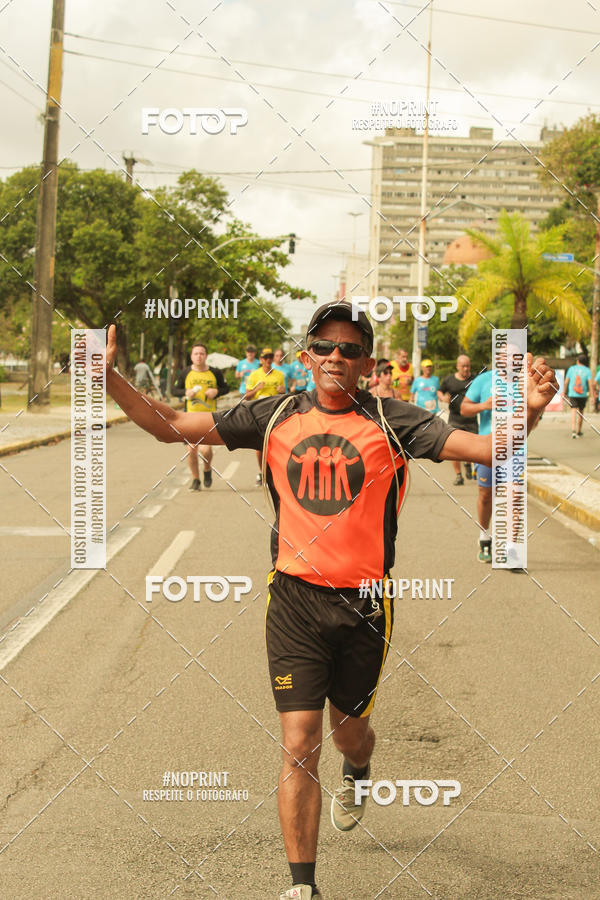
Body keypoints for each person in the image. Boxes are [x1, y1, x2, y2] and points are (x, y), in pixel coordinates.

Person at [103, 303, 557, 900]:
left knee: (350, 734)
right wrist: (107, 376)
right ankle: (303, 887)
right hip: (293, 601)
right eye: (324, 346)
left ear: (367, 363)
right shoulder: (273, 414)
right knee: (298, 743)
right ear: (306, 356)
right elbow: (168, 425)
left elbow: (490, 449)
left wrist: (530, 408)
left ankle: (359, 767)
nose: (336, 357)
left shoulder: (394, 420)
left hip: (364, 605)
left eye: (350, 349)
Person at [171, 343, 229, 490]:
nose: (199, 356)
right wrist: (185, 392)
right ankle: (196, 479)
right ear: (191, 356)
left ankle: (207, 469)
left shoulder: (215, 372)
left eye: (202, 353)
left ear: (206, 356)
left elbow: (226, 388)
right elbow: (174, 390)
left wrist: (216, 392)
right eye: (196, 353)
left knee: (206, 450)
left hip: (209, 417)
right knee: (191, 450)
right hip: (189, 417)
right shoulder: (185, 372)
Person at [245, 348, 286, 485]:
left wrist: (282, 391)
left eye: (270, 357)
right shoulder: (254, 375)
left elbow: (283, 394)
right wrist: (257, 389)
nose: (268, 360)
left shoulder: (279, 375)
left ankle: (274, 472)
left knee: (275, 444)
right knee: (259, 446)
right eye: (265, 357)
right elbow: (246, 396)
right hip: (258, 413)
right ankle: (262, 472)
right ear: (261, 360)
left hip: (275, 412)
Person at [439, 355, 478, 485]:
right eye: (463, 366)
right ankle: (458, 475)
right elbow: (440, 391)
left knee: (472, 447)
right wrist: (443, 397)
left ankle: (468, 463)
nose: (466, 369)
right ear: (457, 366)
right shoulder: (449, 380)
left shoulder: (475, 379)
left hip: (471, 419)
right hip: (455, 418)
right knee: (454, 448)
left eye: (468, 366)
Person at [563, 354, 593, 437]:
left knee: (573, 410)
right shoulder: (587, 370)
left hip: (573, 394)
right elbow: (590, 384)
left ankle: (573, 430)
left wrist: (564, 392)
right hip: (583, 394)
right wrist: (592, 396)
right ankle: (579, 430)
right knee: (581, 412)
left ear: (578, 361)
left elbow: (566, 382)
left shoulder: (571, 369)